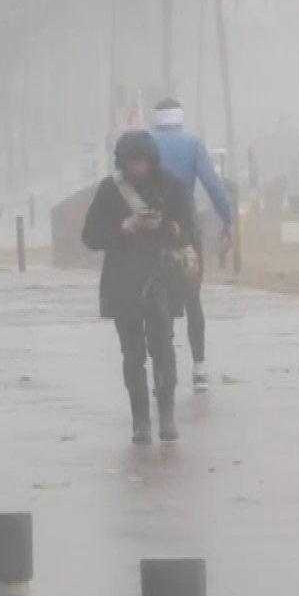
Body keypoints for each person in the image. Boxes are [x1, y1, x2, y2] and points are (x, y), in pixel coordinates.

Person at [82, 130, 198, 444]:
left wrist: (166, 227)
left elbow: (187, 228)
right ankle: (140, 419)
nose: (137, 168)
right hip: (123, 280)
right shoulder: (110, 191)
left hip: (160, 276)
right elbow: (90, 236)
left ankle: (167, 414)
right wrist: (123, 229)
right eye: (131, 162)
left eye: (142, 161)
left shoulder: (171, 187)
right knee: (132, 353)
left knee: (163, 347)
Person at [148, 98, 233, 391]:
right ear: (180, 120)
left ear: (156, 119)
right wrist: (228, 220)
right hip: (186, 232)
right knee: (192, 298)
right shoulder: (193, 145)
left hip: (152, 234)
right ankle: (199, 368)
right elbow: (212, 185)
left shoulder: (145, 144)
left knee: (158, 299)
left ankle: (163, 365)